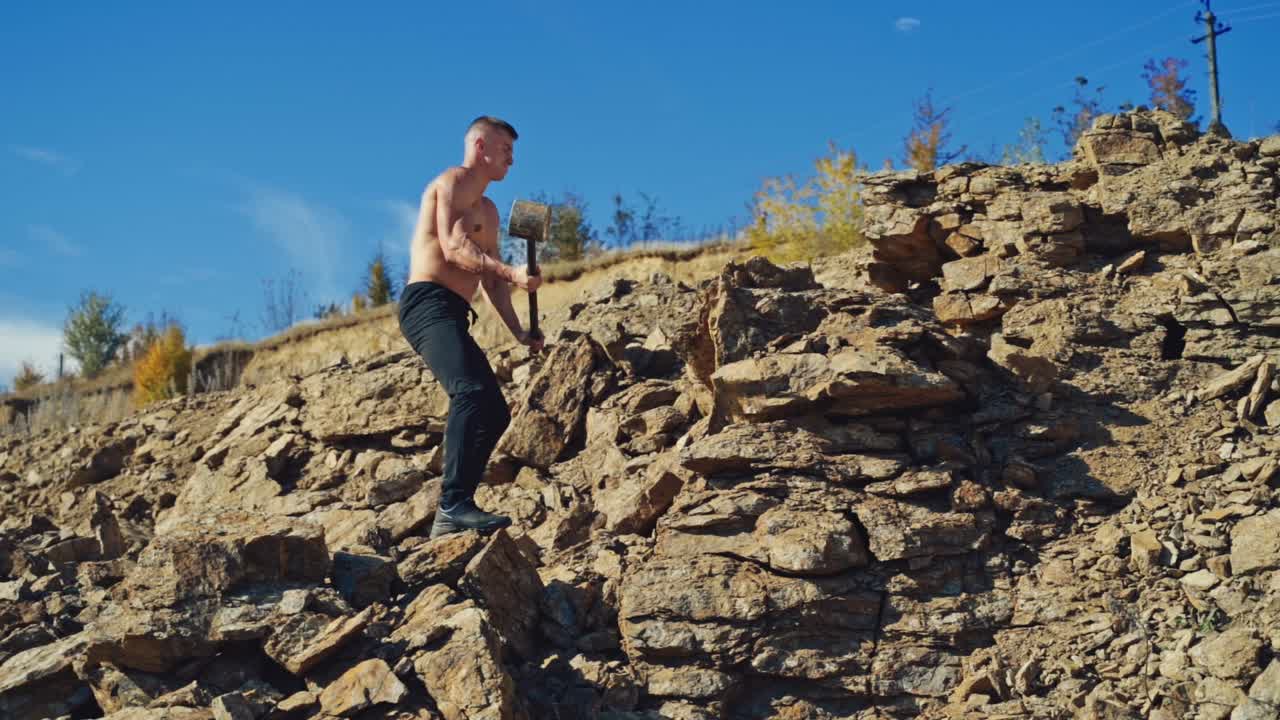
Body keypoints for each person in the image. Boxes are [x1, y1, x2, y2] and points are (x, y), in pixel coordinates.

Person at [398, 116, 543, 539]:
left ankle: (455, 507)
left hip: (455, 311)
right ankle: (452, 505)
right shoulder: (454, 181)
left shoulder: (490, 210)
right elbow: (454, 248)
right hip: (426, 303)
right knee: (471, 392)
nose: (512, 160)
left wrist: (519, 331)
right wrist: (512, 273)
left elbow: (492, 282)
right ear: (481, 147)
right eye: (505, 150)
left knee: (494, 410)